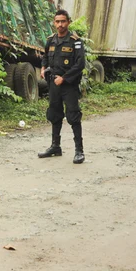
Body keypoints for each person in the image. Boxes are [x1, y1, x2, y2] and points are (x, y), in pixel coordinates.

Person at [38, 9, 86, 164]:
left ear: (68, 22)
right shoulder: (51, 40)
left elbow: (80, 64)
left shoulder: (75, 41)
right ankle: (55, 147)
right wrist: (43, 68)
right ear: (54, 23)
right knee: (54, 114)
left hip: (69, 85)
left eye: (63, 21)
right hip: (53, 85)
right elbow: (45, 56)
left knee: (73, 116)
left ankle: (79, 151)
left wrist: (64, 79)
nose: (60, 24)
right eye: (57, 21)